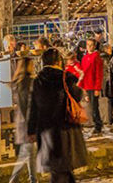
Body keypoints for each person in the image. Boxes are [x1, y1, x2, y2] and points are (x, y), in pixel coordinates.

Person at [27, 47, 87, 183]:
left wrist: (31, 130)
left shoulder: (37, 81)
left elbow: (33, 108)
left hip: (46, 131)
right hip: (65, 129)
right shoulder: (65, 77)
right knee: (61, 170)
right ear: (58, 61)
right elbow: (77, 95)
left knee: (60, 169)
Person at [9, 57, 37, 183]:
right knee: (26, 154)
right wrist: (31, 125)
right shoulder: (29, 82)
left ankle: (33, 179)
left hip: (21, 122)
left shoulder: (18, 82)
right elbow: (29, 104)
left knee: (29, 153)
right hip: (27, 123)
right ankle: (15, 180)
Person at [81, 38, 103, 134]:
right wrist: (84, 89)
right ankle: (96, 123)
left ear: (94, 46)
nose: (89, 47)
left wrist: (97, 88)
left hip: (93, 86)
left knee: (95, 107)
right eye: (88, 45)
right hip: (87, 86)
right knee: (91, 107)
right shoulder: (84, 58)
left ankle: (98, 124)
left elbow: (98, 73)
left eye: (91, 45)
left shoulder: (96, 57)